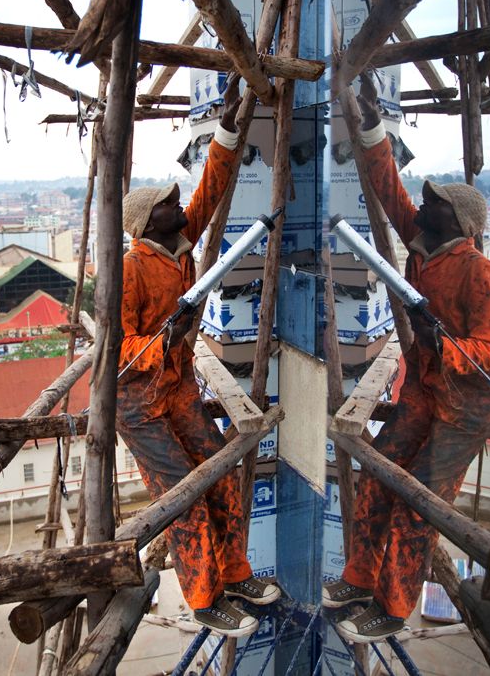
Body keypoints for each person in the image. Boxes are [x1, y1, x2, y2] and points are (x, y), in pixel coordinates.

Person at [324, 73, 490, 643]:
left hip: (467, 407)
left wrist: (441, 337)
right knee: (381, 476)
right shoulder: (426, 245)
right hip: (426, 390)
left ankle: (394, 606)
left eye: (434, 203)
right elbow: (387, 188)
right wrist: (370, 122)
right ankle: (359, 579)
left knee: (418, 504)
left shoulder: (478, 271)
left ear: (460, 223)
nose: (421, 206)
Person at [118, 73, 280, 637]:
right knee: (182, 496)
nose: (178, 206)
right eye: (167, 205)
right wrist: (167, 335)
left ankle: (235, 573)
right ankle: (206, 596)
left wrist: (228, 132)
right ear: (147, 223)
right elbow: (115, 354)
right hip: (138, 404)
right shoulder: (131, 268)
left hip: (178, 387)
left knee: (221, 473)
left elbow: (211, 187)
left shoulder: (177, 249)